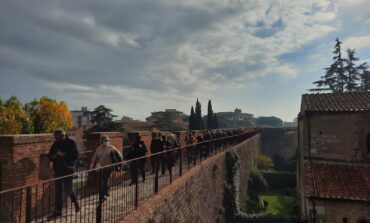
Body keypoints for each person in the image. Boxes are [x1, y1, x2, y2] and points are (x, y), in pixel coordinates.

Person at [48, 129, 80, 219]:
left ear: (62, 136)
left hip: (68, 169)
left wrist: (64, 155)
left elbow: (76, 156)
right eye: (55, 138)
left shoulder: (71, 142)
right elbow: (49, 156)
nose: (56, 140)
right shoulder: (55, 144)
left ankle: (75, 202)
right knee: (58, 192)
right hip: (58, 170)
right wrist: (54, 156)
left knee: (68, 189)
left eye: (58, 138)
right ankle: (57, 212)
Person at [90, 135, 123, 201]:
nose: (107, 142)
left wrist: (119, 167)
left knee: (103, 180)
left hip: (109, 167)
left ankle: (103, 195)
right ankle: (106, 191)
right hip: (101, 167)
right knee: (105, 180)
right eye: (105, 140)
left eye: (108, 140)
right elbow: (95, 157)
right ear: (102, 141)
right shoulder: (99, 148)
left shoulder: (111, 148)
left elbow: (119, 156)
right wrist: (92, 163)